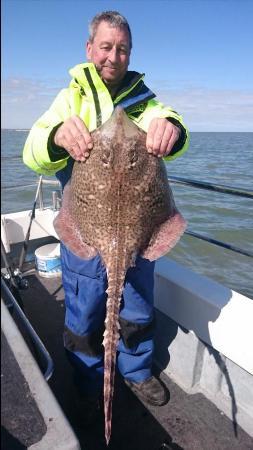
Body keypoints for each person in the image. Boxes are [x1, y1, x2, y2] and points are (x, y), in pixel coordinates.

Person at [23, 11, 189, 421]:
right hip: (85, 228)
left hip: (137, 233)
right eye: (106, 47)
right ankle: (86, 377)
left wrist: (171, 128)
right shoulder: (69, 99)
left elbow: (169, 124)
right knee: (85, 310)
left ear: (130, 54)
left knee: (135, 307)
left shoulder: (144, 101)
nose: (113, 57)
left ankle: (134, 370)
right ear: (89, 48)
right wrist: (57, 134)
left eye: (122, 49)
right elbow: (33, 153)